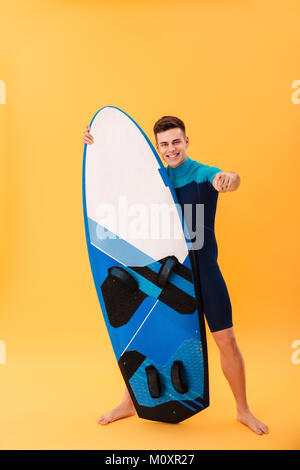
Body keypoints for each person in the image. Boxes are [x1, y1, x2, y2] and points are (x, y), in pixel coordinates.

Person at [83, 116, 269, 435]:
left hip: (204, 271)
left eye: (176, 142)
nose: (171, 149)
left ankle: (243, 409)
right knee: (145, 336)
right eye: (164, 144)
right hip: (167, 274)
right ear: (158, 147)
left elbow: (225, 178)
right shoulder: (154, 179)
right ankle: (130, 401)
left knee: (226, 340)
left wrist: (230, 179)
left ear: (186, 141)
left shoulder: (200, 173)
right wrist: (99, 146)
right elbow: (114, 185)